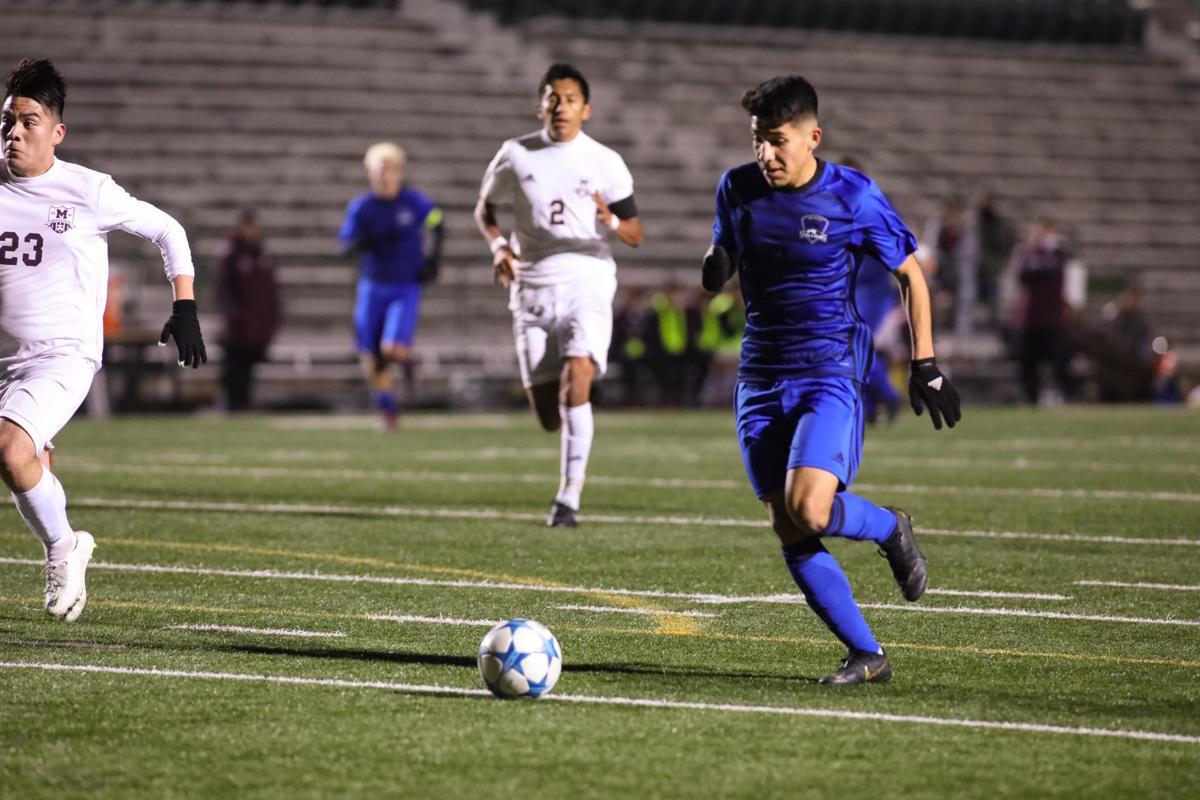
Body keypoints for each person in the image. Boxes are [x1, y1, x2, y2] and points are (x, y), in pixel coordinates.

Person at [702, 76, 960, 685]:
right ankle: (867, 654)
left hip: (828, 371)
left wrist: (925, 363)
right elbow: (724, 253)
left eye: (779, 140)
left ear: (813, 137)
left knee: (810, 508)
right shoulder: (735, 188)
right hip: (760, 375)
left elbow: (910, 274)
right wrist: (716, 266)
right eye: (758, 140)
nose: (766, 153)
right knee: (787, 523)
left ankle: (889, 527)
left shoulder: (853, 196)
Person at [0, 58, 206, 622]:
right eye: (6, 122)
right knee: (27, 460)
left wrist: (183, 306)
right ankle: (64, 537)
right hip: (5, 362)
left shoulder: (86, 190)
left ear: (57, 132)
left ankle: (64, 547)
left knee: (10, 451)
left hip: (62, 356)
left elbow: (168, 229)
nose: (13, 133)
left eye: (28, 121)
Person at [474, 63, 644, 527]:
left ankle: (568, 498)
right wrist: (498, 245)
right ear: (540, 105)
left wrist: (608, 219)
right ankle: (568, 451)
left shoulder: (605, 161)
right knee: (550, 416)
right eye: (553, 97)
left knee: (579, 375)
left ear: (585, 109)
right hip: (531, 288)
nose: (560, 106)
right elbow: (485, 209)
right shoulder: (515, 153)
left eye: (570, 99)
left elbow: (634, 233)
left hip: (587, 280)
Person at [338, 141, 444, 429]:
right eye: (380, 169)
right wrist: (361, 243)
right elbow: (345, 244)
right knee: (369, 354)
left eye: (391, 169)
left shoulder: (414, 202)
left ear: (400, 172)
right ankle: (388, 409)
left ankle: (408, 368)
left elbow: (437, 219)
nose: (386, 175)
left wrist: (433, 257)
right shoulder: (362, 207)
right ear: (370, 173)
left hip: (404, 285)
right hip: (372, 285)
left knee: (392, 349)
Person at [1006, 218, 1076, 404]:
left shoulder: (1057, 254)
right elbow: (1022, 273)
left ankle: (1069, 397)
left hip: (1051, 318)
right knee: (1028, 364)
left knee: (1060, 362)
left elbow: (1054, 270)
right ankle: (1031, 399)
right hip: (1027, 319)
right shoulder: (1024, 252)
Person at [217, 209, 279, 412]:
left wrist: (271, 319)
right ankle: (231, 404)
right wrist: (234, 316)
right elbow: (224, 289)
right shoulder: (231, 253)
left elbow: (271, 290)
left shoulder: (262, 254)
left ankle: (243, 404)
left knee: (248, 368)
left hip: (257, 326)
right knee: (233, 368)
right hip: (237, 327)